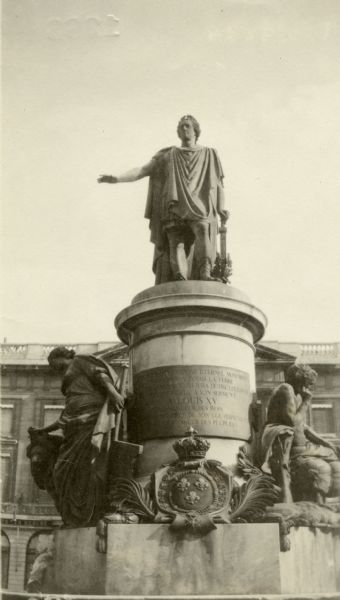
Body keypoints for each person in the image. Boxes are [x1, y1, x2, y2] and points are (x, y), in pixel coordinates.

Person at [98, 115, 228, 282]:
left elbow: (218, 184)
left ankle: (205, 273)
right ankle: (180, 278)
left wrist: (221, 207)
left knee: (203, 230)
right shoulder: (167, 154)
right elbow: (142, 170)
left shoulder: (209, 153)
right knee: (176, 241)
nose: (184, 129)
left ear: (196, 130)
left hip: (200, 204)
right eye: (181, 127)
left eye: (187, 126)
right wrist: (117, 178)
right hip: (173, 203)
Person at [28, 346, 125, 526]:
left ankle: (86, 514)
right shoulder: (70, 384)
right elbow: (65, 417)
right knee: (60, 472)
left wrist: (113, 394)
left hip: (90, 421)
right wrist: (44, 430)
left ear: (63, 355)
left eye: (54, 362)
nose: (53, 368)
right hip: (74, 427)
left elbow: (100, 375)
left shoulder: (80, 360)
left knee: (85, 471)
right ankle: (76, 515)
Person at [261, 364, 340, 503]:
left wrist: (326, 443)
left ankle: (320, 504)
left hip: (304, 448)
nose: (309, 389)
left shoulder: (296, 394)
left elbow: (303, 426)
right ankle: (317, 505)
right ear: (299, 379)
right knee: (321, 469)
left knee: (336, 468)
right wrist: (306, 402)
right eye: (308, 384)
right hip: (289, 448)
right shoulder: (286, 389)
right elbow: (293, 422)